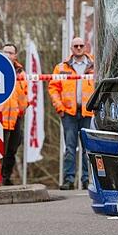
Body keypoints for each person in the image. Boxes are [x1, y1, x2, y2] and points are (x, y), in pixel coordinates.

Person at [48, 36, 95, 190]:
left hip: (88, 113)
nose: (79, 48)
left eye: (81, 45)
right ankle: (69, 179)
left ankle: (87, 179)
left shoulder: (95, 64)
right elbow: (53, 88)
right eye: (76, 46)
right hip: (68, 113)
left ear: (85, 47)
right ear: (71, 48)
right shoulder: (61, 67)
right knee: (70, 147)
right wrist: (59, 108)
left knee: (87, 148)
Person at [0, 42, 28, 186]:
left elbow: (25, 94)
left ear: (15, 55)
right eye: (5, 52)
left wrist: (23, 109)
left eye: (10, 52)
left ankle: (6, 176)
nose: (8, 55)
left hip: (16, 116)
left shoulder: (21, 72)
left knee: (13, 148)